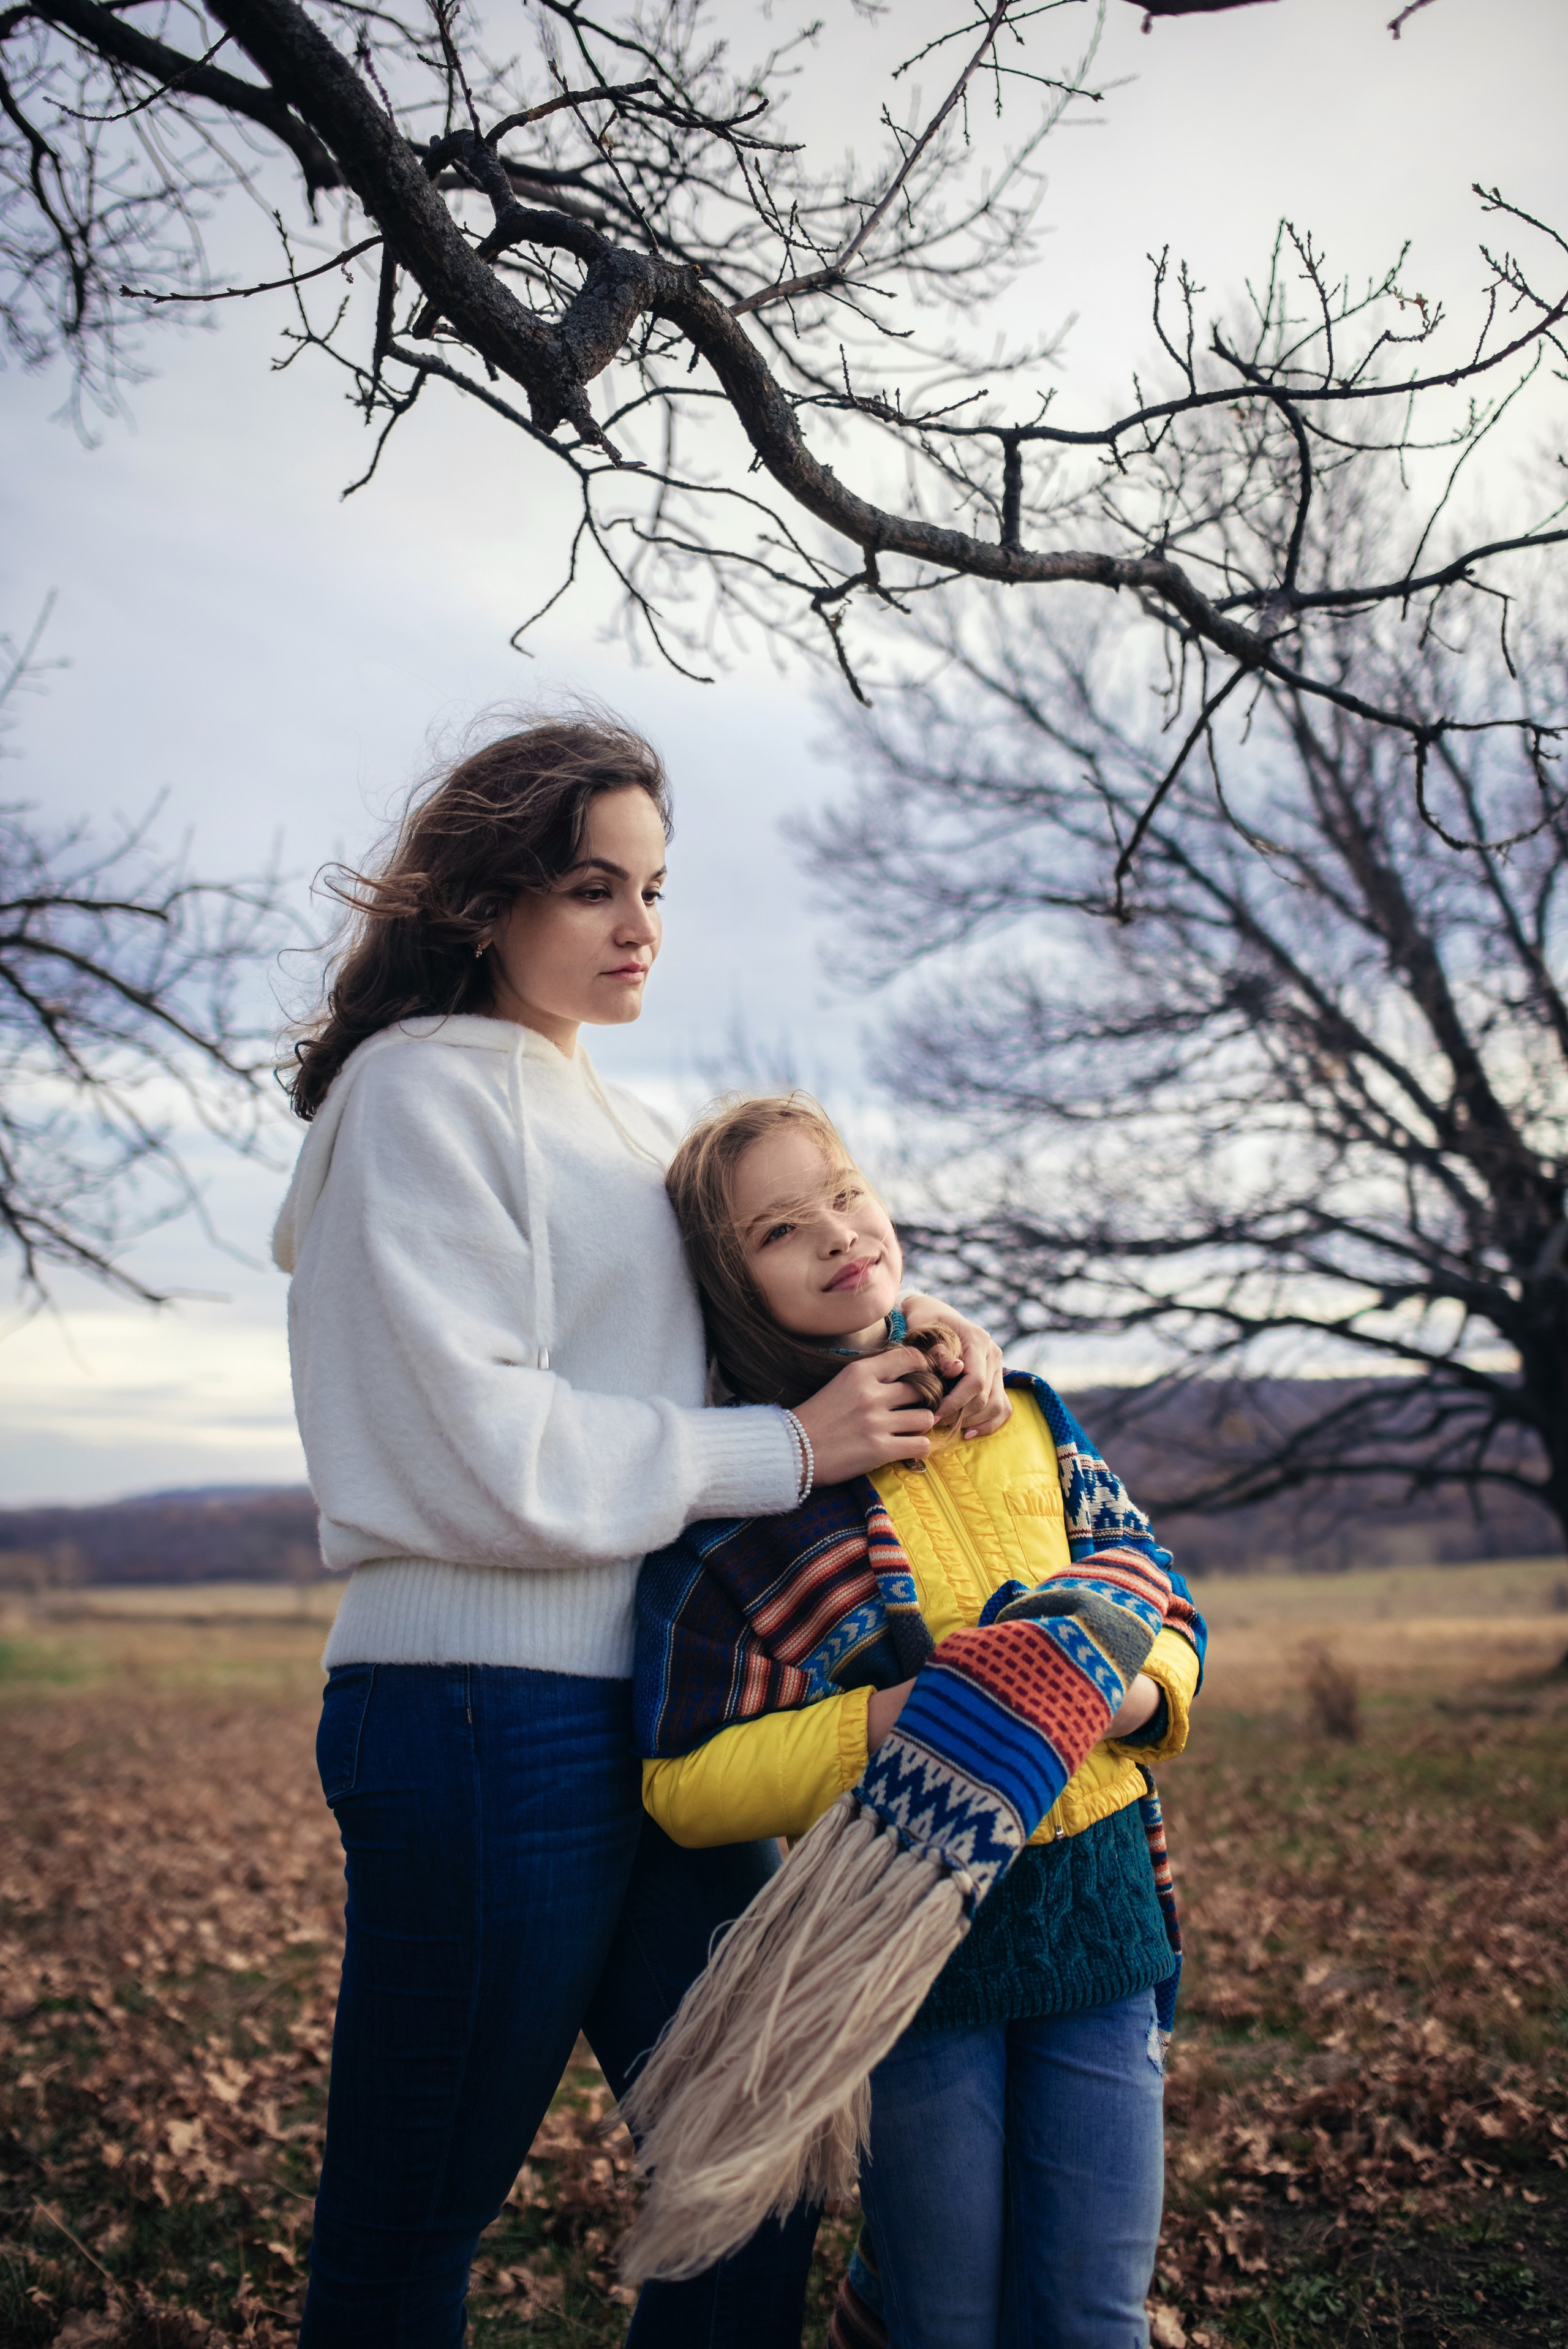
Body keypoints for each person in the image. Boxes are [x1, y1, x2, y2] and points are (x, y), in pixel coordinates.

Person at [273, 715, 1010, 2348]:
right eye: (593, 886)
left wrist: (923, 1331)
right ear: (485, 898)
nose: (638, 929)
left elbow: (765, 1314)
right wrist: (784, 1444)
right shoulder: (412, 1099)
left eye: (657, 890)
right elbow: (461, 1444)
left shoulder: (609, 1119)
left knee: (760, 2157)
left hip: (667, 1720)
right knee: (415, 2210)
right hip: (476, 1712)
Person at [627, 1094, 1207, 2349]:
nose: (837, 1232)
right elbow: (682, 1774)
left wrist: (1142, 1691)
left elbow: (1153, 1588)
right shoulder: (749, 1499)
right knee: (944, 2315)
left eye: (842, 1190)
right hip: (902, 1950)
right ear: (731, 1287)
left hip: (1094, 1917)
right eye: (782, 1228)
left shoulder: (1024, 1416)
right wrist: (885, 1720)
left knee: (1090, 2310)